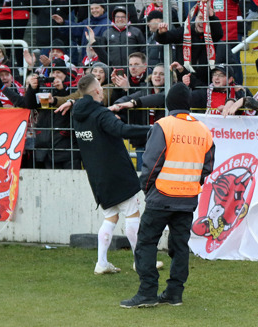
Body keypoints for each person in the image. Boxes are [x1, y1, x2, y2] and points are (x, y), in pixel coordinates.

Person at [122, 83, 215, 309]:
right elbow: (207, 166)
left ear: (168, 103)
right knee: (180, 246)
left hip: (161, 197)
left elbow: (152, 162)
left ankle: (147, 292)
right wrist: (192, 184)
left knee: (146, 243)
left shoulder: (164, 126)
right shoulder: (203, 129)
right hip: (188, 199)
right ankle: (174, 293)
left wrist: (147, 187)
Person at [70, 74, 151, 275]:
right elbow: (122, 130)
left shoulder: (77, 114)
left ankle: (102, 263)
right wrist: (152, 129)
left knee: (110, 217)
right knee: (132, 214)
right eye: (101, 87)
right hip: (117, 173)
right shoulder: (100, 114)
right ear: (97, 91)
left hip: (97, 177)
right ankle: (140, 261)